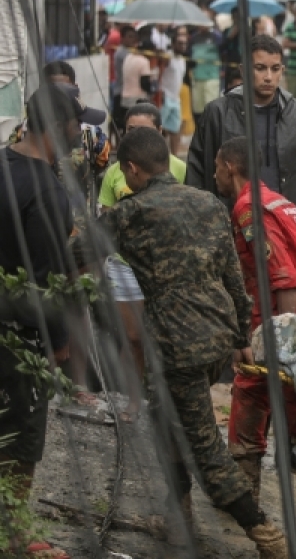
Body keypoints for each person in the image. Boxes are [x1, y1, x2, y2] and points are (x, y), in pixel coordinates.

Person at [100, 128, 287, 557]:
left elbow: (74, 253)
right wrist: (241, 335)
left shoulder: (131, 211)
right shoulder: (207, 202)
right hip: (216, 335)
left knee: (203, 444)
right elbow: (234, 277)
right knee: (168, 421)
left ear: (130, 169)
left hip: (176, 346)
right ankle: (177, 517)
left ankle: (263, 531)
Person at [214, 137, 296, 511]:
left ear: (230, 167)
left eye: (216, 168)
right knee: (251, 392)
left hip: (289, 319)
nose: (213, 176)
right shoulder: (280, 202)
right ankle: (242, 497)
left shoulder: (248, 210)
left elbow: (283, 277)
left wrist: (283, 341)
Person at [187, 35, 296, 273]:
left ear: (283, 70)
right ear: (243, 69)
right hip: (233, 232)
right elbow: (197, 176)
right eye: (260, 68)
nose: (268, 77)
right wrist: (200, 235)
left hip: (291, 230)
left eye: (275, 69)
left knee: (289, 303)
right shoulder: (218, 114)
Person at [0, 85, 77, 558]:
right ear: (58, 128)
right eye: (75, 125)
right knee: (22, 436)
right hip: (20, 335)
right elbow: (48, 288)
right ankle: (15, 531)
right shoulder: (49, 191)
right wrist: (60, 344)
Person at [99, 102, 189, 417]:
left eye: (144, 131)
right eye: (131, 130)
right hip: (124, 267)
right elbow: (106, 221)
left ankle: (164, 404)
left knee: (165, 338)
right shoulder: (114, 171)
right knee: (133, 338)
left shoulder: (177, 168)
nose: (135, 137)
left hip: (163, 267)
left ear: (160, 133)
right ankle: (133, 400)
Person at [161, 30, 188, 156]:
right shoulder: (168, 57)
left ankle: (174, 156)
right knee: (159, 128)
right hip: (164, 97)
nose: (182, 46)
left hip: (175, 98)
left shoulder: (182, 59)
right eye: (180, 43)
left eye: (184, 44)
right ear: (173, 44)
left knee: (175, 129)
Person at [190, 27, 223, 120]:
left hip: (212, 77)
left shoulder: (216, 36)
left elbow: (223, 52)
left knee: (211, 108)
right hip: (197, 78)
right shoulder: (194, 37)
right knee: (198, 110)